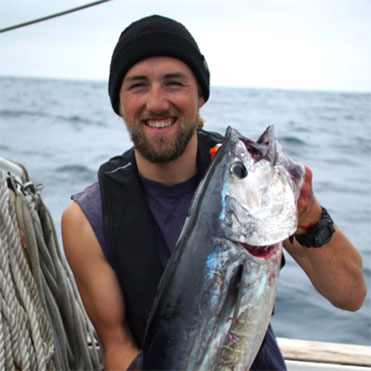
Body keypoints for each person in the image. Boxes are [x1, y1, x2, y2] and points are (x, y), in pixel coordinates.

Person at [61, 15, 366, 370]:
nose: (157, 102)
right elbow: (117, 346)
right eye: (138, 85)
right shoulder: (87, 220)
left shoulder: (249, 188)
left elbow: (350, 296)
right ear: (118, 102)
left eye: (174, 83)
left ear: (201, 94)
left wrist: (310, 216)